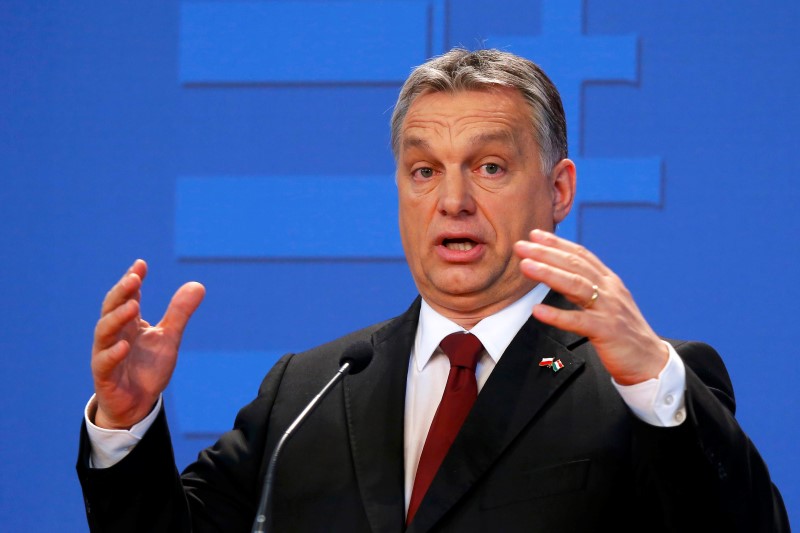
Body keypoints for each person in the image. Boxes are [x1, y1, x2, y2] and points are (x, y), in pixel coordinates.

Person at [77, 48, 789, 532]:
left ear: (559, 188)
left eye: (488, 166)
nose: (452, 200)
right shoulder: (308, 391)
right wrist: (125, 426)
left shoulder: (641, 383)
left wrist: (659, 383)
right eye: (424, 170)